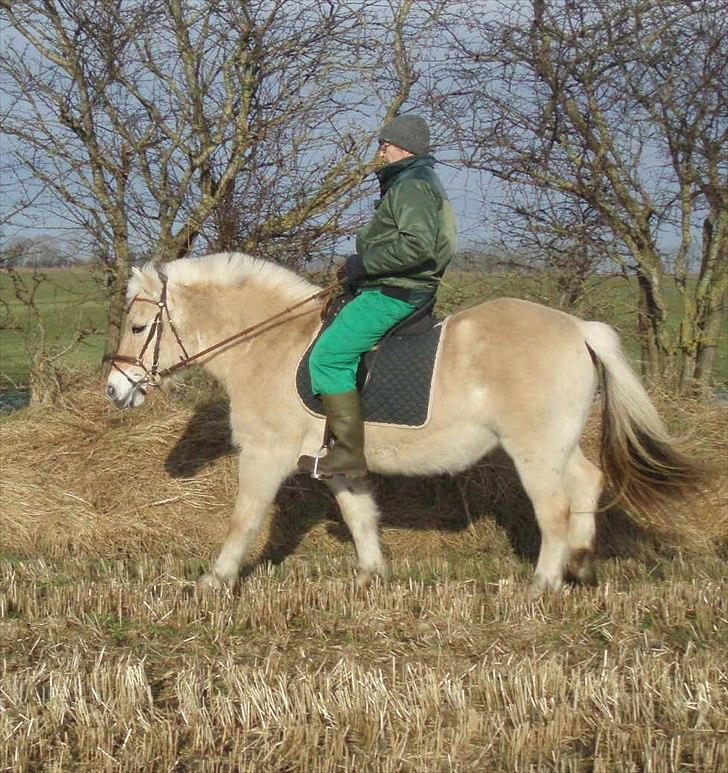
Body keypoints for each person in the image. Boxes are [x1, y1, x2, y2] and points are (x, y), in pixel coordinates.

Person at [298, 114, 457, 478]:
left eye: (385, 143)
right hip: (390, 282)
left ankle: (349, 455)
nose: (381, 149)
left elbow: (416, 247)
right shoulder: (410, 181)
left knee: (328, 356)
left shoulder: (412, 185)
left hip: (396, 290)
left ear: (403, 147)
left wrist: (363, 264)